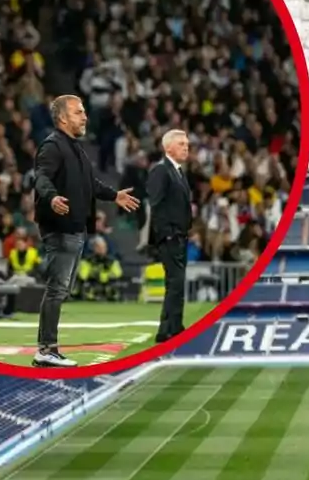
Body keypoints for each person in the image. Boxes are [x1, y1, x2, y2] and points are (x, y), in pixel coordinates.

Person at [32, 94, 139, 367]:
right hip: (61, 227)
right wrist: (52, 197)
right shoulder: (53, 145)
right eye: (79, 112)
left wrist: (114, 195)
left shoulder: (75, 148)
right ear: (63, 118)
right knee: (57, 289)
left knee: (61, 289)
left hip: (76, 228)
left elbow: (90, 183)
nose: (85, 116)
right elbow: (41, 177)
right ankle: (46, 350)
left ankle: (47, 348)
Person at [146, 129, 193, 344]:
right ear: (168, 148)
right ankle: (167, 331)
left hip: (180, 236)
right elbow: (156, 205)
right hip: (171, 237)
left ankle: (173, 327)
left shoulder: (178, 172)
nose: (186, 147)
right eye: (181, 144)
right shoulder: (161, 171)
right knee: (174, 283)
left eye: (187, 144)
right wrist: (167, 235)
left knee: (177, 284)